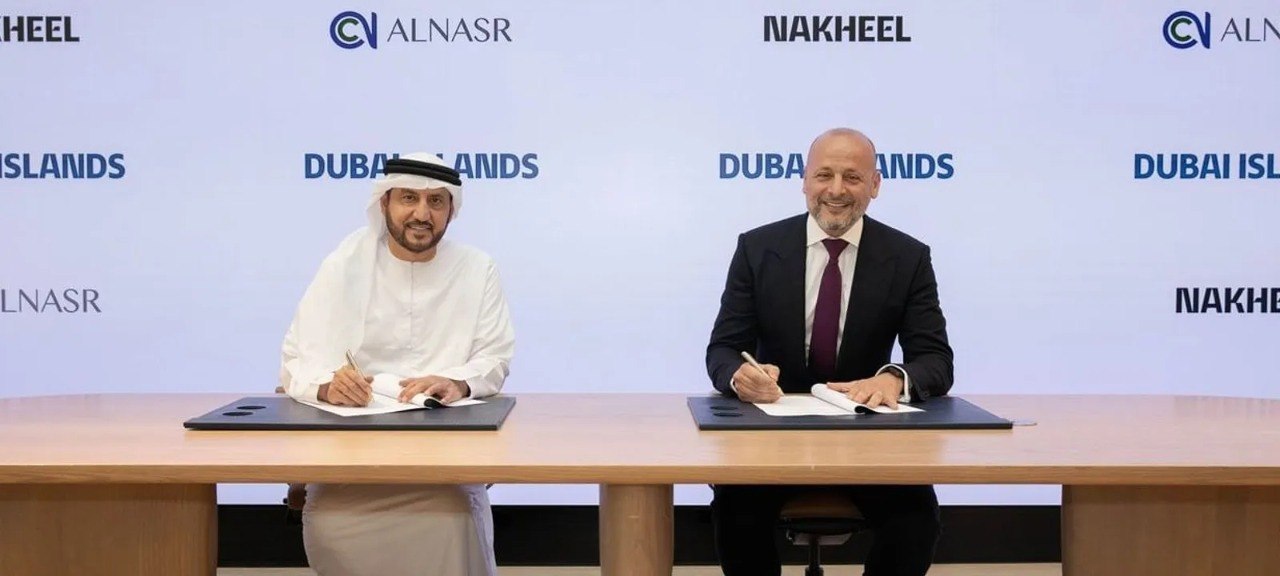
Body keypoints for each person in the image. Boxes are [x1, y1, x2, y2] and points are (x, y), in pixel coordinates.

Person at [705, 128, 953, 576]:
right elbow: (724, 348)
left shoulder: (908, 257)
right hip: (770, 440)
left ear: (875, 185)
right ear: (804, 181)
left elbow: (936, 360)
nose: (836, 190)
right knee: (736, 517)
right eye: (824, 175)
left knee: (915, 522)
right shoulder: (756, 248)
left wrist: (893, 378)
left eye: (852, 177)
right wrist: (740, 377)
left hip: (870, 442)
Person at [279, 152, 515, 576]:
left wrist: (458, 382)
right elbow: (297, 361)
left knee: (455, 512)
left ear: (451, 210)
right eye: (409, 198)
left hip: (445, 460)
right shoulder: (343, 265)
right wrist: (328, 387)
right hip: (350, 462)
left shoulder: (478, 269)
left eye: (436, 202)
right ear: (384, 202)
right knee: (333, 521)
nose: (422, 214)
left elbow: (494, 357)